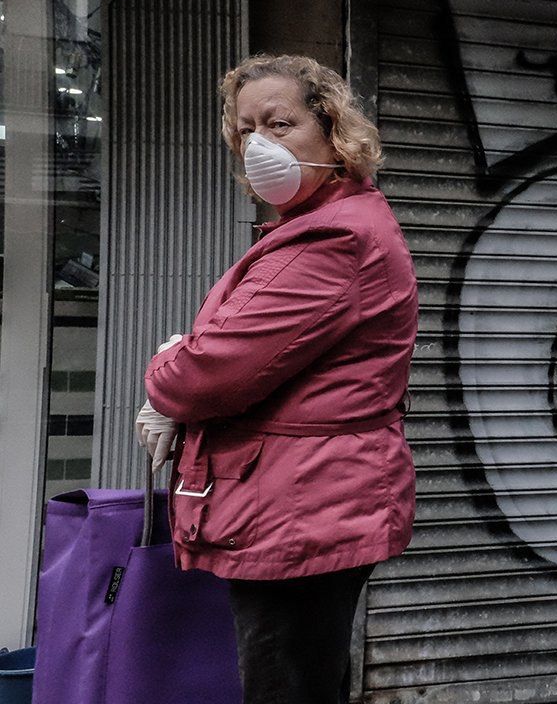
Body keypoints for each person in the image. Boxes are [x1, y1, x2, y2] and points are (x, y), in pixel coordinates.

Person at [134, 54, 418, 704]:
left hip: (301, 508)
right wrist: (189, 363)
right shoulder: (318, 226)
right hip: (300, 501)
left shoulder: (333, 241)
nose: (260, 143)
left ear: (333, 131)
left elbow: (208, 374)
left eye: (280, 123)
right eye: (246, 129)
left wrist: (169, 367)